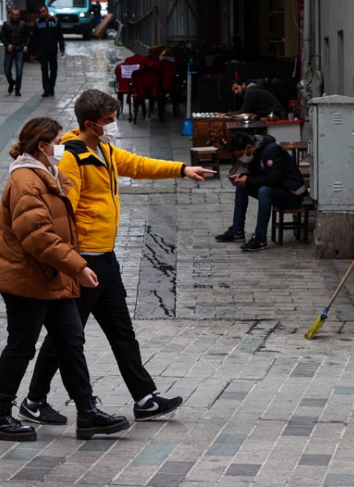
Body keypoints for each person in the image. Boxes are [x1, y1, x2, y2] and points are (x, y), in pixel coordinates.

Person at [23, 90, 215, 425]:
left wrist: (182, 169)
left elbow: (139, 165)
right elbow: (63, 214)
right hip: (85, 263)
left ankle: (144, 398)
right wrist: (74, 263)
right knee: (65, 337)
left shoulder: (106, 151)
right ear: (89, 124)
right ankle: (34, 400)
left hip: (106, 261)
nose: (114, 126)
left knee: (122, 332)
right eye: (109, 121)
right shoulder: (72, 158)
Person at [0, 116, 130, 442]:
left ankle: (88, 412)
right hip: (27, 279)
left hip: (53, 277)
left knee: (70, 342)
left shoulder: (48, 174)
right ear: (42, 145)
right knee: (21, 346)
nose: (61, 147)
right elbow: (37, 236)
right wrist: (78, 266)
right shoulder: (25, 181)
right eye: (56, 142)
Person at [215, 131, 308, 252]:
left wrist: (247, 180)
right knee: (242, 187)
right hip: (279, 189)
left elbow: (273, 179)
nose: (240, 158)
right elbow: (256, 176)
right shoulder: (255, 154)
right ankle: (237, 230)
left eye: (240, 155)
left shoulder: (272, 151)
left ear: (248, 147)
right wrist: (242, 177)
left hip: (292, 193)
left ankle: (260, 238)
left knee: (264, 191)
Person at [32, 6, 65, 97]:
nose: (42, 13)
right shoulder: (38, 22)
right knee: (44, 69)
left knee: (53, 69)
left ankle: (51, 86)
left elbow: (60, 35)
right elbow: (34, 37)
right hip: (42, 50)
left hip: (52, 50)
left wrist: (62, 48)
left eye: (44, 11)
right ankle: (46, 90)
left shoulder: (55, 21)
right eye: (41, 12)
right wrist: (33, 52)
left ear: (47, 11)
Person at [0, 8, 29, 97]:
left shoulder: (23, 25)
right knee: (7, 70)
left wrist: (26, 45)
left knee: (19, 70)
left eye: (17, 15)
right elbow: (2, 36)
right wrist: (7, 44)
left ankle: (18, 89)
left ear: (19, 15)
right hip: (10, 50)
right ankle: (12, 82)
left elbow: (27, 36)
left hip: (19, 49)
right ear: (11, 15)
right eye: (14, 15)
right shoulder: (6, 24)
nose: (15, 17)